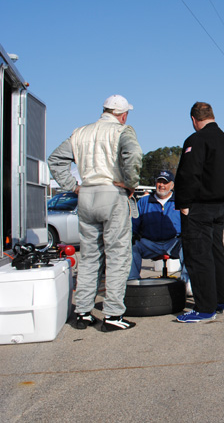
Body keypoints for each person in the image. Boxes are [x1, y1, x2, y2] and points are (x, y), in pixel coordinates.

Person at [48, 94, 142, 332]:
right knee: (118, 257)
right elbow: (133, 155)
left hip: (86, 195)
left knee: (90, 257)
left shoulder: (80, 132)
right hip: (112, 192)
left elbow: (56, 159)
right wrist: (131, 182)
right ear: (123, 114)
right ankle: (112, 315)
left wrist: (73, 186)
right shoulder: (123, 130)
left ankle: (83, 312)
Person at [174, 102, 224, 323]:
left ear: (194, 120)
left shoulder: (196, 140)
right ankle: (222, 300)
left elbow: (188, 174)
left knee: (198, 257)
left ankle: (204, 308)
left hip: (199, 207)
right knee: (216, 253)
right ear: (212, 115)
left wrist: (183, 203)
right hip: (221, 206)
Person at [129, 170, 190, 291]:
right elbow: (134, 224)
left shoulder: (180, 200)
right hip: (150, 244)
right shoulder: (143, 202)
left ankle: (187, 283)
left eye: (165, 182)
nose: (162, 185)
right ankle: (132, 282)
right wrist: (131, 236)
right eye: (159, 182)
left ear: (172, 185)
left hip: (173, 243)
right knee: (131, 247)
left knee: (188, 245)